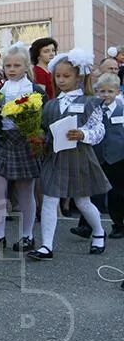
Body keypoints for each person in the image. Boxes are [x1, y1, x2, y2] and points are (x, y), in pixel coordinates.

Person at [28, 50, 110, 259]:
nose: (61, 80)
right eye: (58, 76)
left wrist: (82, 133)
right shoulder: (50, 105)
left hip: (79, 156)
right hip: (55, 157)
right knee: (49, 198)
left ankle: (99, 232)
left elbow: (99, 130)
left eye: (67, 76)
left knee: (82, 201)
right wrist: (39, 140)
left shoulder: (90, 102)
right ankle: (46, 245)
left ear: (78, 77)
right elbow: (46, 130)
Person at [0, 43, 46, 252]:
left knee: (24, 192)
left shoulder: (35, 90)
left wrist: (36, 136)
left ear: (26, 66)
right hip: (4, 142)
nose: (12, 69)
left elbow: (43, 119)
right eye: (8, 65)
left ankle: (27, 235)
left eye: (17, 65)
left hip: (24, 142)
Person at [70, 73, 124, 240]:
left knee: (118, 193)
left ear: (117, 92)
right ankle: (86, 226)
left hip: (118, 157)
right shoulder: (93, 109)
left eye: (110, 91)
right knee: (92, 192)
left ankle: (119, 225)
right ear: (96, 92)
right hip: (96, 155)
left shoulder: (122, 109)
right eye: (102, 91)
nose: (105, 95)